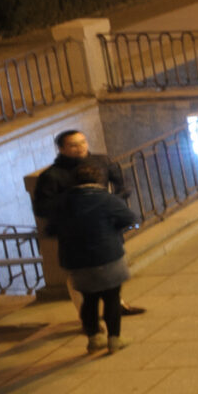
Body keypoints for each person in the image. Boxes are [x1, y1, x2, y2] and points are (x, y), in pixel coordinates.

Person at [33, 131, 146, 319]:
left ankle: (117, 305)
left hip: (104, 228)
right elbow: (42, 207)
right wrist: (74, 203)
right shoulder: (52, 176)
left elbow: (123, 185)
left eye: (83, 142)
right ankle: (87, 320)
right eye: (73, 145)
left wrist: (109, 203)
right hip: (75, 234)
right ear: (61, 149)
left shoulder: (101, 162)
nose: (81, 148)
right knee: (78, 277)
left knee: (113, 267)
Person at [47, 167, 139, 356]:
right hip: (108, 255)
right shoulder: (107, 199)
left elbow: (50, 230)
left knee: (88, 299)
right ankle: (114, 339)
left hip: (76, 259)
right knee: (112, 298)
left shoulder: (62, 204)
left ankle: (94, 338)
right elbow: (130, 218)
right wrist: (113, 229)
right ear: (98, 180)